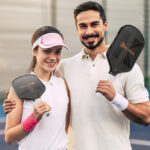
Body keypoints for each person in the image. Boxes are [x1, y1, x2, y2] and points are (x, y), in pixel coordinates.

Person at [3, 1, 150, 150]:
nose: (89, 31)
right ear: (77, 29)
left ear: (105, 25)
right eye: (83, 26)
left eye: (94, 24)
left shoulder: (129, 68)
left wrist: (116, 98)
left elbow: (146, 117)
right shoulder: (63, 68)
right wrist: (14, 101)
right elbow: (41, 84)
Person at [4, 26, 70, 150]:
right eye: (47, 50)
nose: (53, 57)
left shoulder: (63, 84)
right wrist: (33, 118)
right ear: (34, 51)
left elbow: (65, 128)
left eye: (58, 51)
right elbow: (9, 138)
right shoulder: (19, 87)